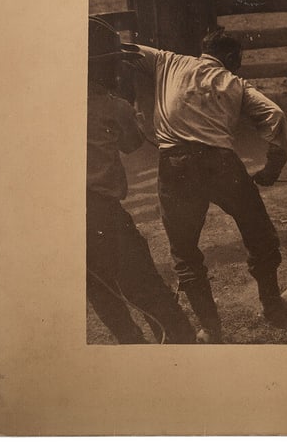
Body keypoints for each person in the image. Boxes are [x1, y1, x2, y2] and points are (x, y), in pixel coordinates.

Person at [129, 27, 287, 344]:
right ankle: (273, 306)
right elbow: (275, 114)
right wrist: (271, 169)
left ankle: (211, 329)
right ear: (230, 56)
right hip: (221, 165)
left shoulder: (167, 61)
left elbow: (124, 50)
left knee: (184, 251)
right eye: (239, 59)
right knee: (259, 233)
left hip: (175, 167)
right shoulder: (236, 84)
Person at [86, 17, 198, 344]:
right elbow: (132, 144)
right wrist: (129, 111)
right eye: (110, 64)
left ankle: (133, 348)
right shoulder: (113, 107)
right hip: (102, 212)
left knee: (100, 288)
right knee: (144, 284)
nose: (116, 70)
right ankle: (183, 345)